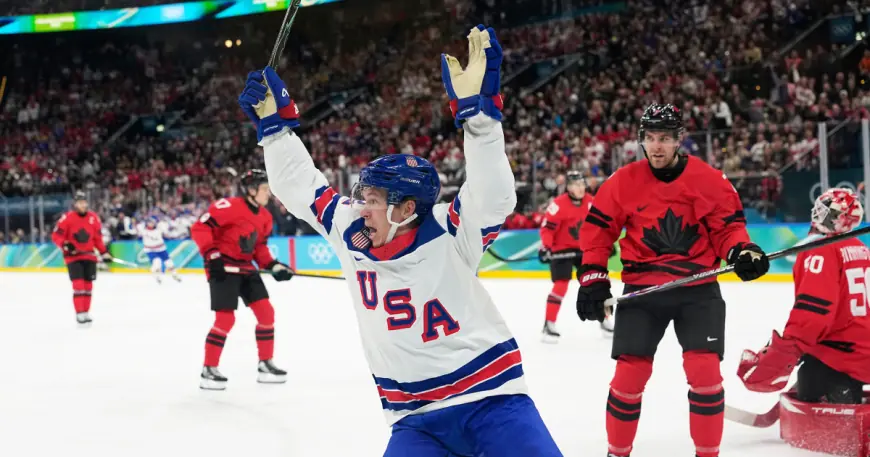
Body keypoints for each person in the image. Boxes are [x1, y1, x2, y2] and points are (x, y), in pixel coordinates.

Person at [241, 25, 562, 456]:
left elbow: (493, 194)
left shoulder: (451, 234)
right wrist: (275, 131)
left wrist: (481, 124)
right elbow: (300, 186)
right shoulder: (350, 228)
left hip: (492, 399)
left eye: (372, 199)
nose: (360, 206)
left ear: (406, 209)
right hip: (414, 419)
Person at [574, 103, 771, 457]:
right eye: (650, 138)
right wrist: (593, 277)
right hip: (642, 291)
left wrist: (742, 251)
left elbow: (728, 229)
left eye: (664, 138)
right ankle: (616, 454)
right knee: (628, 379)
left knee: (706, 375)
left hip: (697, 291)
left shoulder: (708, 180)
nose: (657, 147)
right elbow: (599, 231)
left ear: (679, 140)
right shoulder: (622, 182)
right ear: (642, 141)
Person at [737, 188, 870, 455]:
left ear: (840, 220)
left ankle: (837, 395)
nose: (818, 216)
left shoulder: (820, 250)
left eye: (827, 213)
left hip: (842, 357)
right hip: (862, 346)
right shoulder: (860, 248)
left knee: (811, 376)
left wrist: (787, 349)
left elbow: (813, 313)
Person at [189, 169, 294, 390]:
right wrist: (212, 254)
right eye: (264, 189)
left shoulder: (265, 217)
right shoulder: (228, 207)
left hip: (245, 268)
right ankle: (208, 369)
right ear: (251, 190)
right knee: (225, 320)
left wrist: (274, 266)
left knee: (266, 313)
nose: (268, 194)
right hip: (222, 268)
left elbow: (260, 249)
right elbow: (200, 227)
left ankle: (265, 364)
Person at [539, 170, 613, 342]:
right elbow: (547, 229)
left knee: (596, 282)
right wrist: (546, 247)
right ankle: (548, 324)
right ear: (569, 187)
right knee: (561, 285)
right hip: (561, 251)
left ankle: (605, 319)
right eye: (576, 185)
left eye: (582, 184)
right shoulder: (558, 205)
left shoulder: (591, 202)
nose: (580, 188)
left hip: (583, 250)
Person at [51, 191, 113, 327]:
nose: (82, 205)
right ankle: (79, 313)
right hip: (73, 257)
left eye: (84, 202)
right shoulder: (67, 218)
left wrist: (104, 252)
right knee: (79, 286)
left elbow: (97, 239)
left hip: (89, 256)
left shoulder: (94, 218)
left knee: (88, 286)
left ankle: (86, 312)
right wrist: (65, 244)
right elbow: (56, 236)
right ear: (75, 204)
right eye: (79, 202)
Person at [139, 216, 181, 283]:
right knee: (157, 262)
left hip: (161, 248)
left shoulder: (159, 229)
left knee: (169, 263)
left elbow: (168, 233)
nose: (151, 224)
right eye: (149, 222)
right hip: (150, 250)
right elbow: (138, 230)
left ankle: (174, 274)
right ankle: (156, 275)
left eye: (152, 222)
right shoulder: (143, 230)